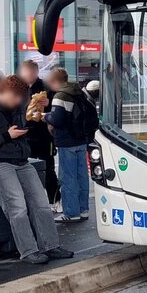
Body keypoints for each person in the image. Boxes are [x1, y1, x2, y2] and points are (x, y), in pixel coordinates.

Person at [0, 75, 73, 265]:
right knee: (17, 207)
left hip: (21, 160)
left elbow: (31, 122)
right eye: (15, 97)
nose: (18, 101)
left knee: (41, 203)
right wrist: (7, 135)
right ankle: (28, 250)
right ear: (2, 92)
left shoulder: (16, 108)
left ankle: (50, 245)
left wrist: (43, 108)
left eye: (20, 98)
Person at [45, 67, 99, 224]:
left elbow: (57, 119)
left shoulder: (60, 95)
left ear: (55, 81)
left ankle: (70, 212)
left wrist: (45, 116)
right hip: (81, 140)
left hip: (66, 141)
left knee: (68, 178)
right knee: (82, 176)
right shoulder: (79, 92)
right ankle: (84, 210)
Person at [18, 60, 57, 207]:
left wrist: (49, 103)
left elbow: (57, 109)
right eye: (25, 73)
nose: (28, 76)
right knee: (26, 169)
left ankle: (54, 199)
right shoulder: (18, 87)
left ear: (36, 72)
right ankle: (31, 201)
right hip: (23, 135)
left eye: (30, 73)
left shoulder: (46, 88)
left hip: (42, 136)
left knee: (47, 168)